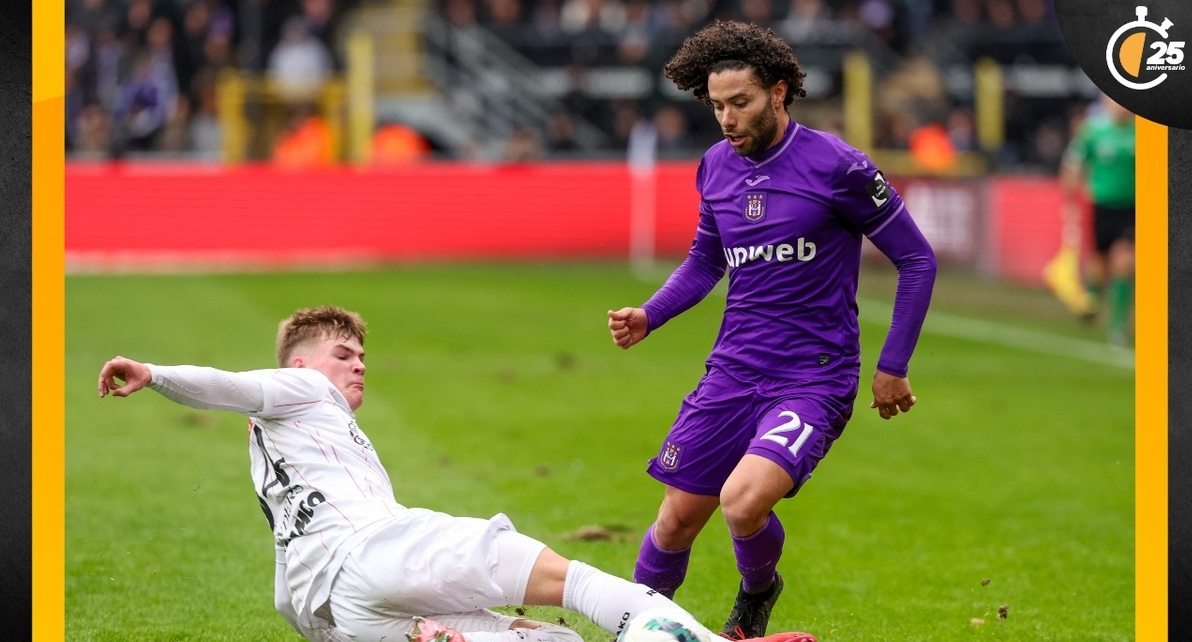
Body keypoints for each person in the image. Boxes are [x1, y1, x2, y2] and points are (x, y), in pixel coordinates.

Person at [97, 305, 819, 642]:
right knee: (577, 583)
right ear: (300, 365)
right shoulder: (302, 390)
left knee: (553, 640)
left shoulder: (278, 465)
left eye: (361, 356)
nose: (358, 365)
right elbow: (227, 384)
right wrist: (153, 373)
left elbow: (290, 601)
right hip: (382, 552)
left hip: (351, 611)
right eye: (343, 352)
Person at [606, 20, 937, 639]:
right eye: (717, 106)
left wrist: (893, 364)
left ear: (778, 92)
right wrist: (651, 314)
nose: (727, 119)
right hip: (733, 370)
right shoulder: (714, 167)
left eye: (741, 103)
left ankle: (757, 592)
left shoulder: (838, 166)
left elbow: (917, 259)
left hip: (813, 377)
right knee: (675, 521)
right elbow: (707, 260)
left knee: (742, 500)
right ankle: (635, 627)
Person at [1059, 92, 1136, 345]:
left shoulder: (1142, 132)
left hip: (1131, 207)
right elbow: (1073, 164)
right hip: (1101, 206)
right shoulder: (1092, 131)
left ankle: (1117, 326)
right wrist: (1071, 201)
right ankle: (1091, 301)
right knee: (1099, 262)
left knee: (1123, 262)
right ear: (1105, 102)